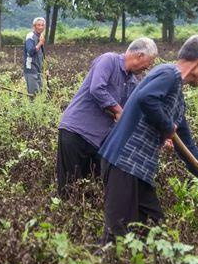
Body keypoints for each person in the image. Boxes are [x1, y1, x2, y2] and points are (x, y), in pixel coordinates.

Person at [99, 35, 198, 243]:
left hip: (140, 170)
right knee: (117, 235)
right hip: (123, 163)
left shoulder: (177, 97)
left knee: (154, 230)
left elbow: (188, 149)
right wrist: (167, 127)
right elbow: (146, 98)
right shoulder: (169, 73)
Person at [56, 38, 158, 197]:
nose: (148, 67)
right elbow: (97, 88)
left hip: (99, 142)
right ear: (139, 55)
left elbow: (138, 111)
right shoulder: (109, 60)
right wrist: (118, 111)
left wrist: (161, 134)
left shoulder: (132, 82)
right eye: (149, 62)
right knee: (68, 188)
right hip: (76, 133)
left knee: (93, 189)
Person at [24, 17, 46, 95]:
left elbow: (42, 55)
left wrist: (45, 69)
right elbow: (30, 52)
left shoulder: (40, 36)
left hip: (39, 70)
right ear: (34, 26)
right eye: (38, 25)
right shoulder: (30, 36)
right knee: (33, 95)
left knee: (40, 93)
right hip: (31, 69)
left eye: (42, 25)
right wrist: (40, 43)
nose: (40, 27)